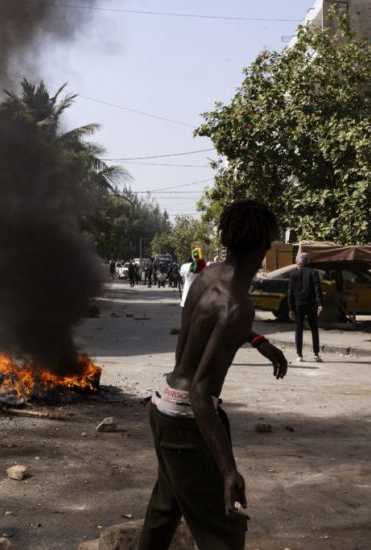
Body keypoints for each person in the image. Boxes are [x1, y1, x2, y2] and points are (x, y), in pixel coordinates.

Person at [139, 200, 288, 550]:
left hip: (163, 406)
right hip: (187, 421)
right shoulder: (238, 305)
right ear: (265, 245)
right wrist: (228, 472)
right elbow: (201, 394)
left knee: (165, 510)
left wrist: (256, 340)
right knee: (223, 532)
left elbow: (203, 328)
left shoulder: (207, 277)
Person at [287, 253, 323, 362]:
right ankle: (316, 354)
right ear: (308, 262)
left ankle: (299, 355)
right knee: (314, 329)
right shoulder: (314, 273)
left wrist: (291, 308)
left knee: (298, 329)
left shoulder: (293, 275)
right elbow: (318, 289)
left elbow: (290, 293)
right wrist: (320, 304)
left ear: (298, 262)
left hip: (298, 305)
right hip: (311, 304)